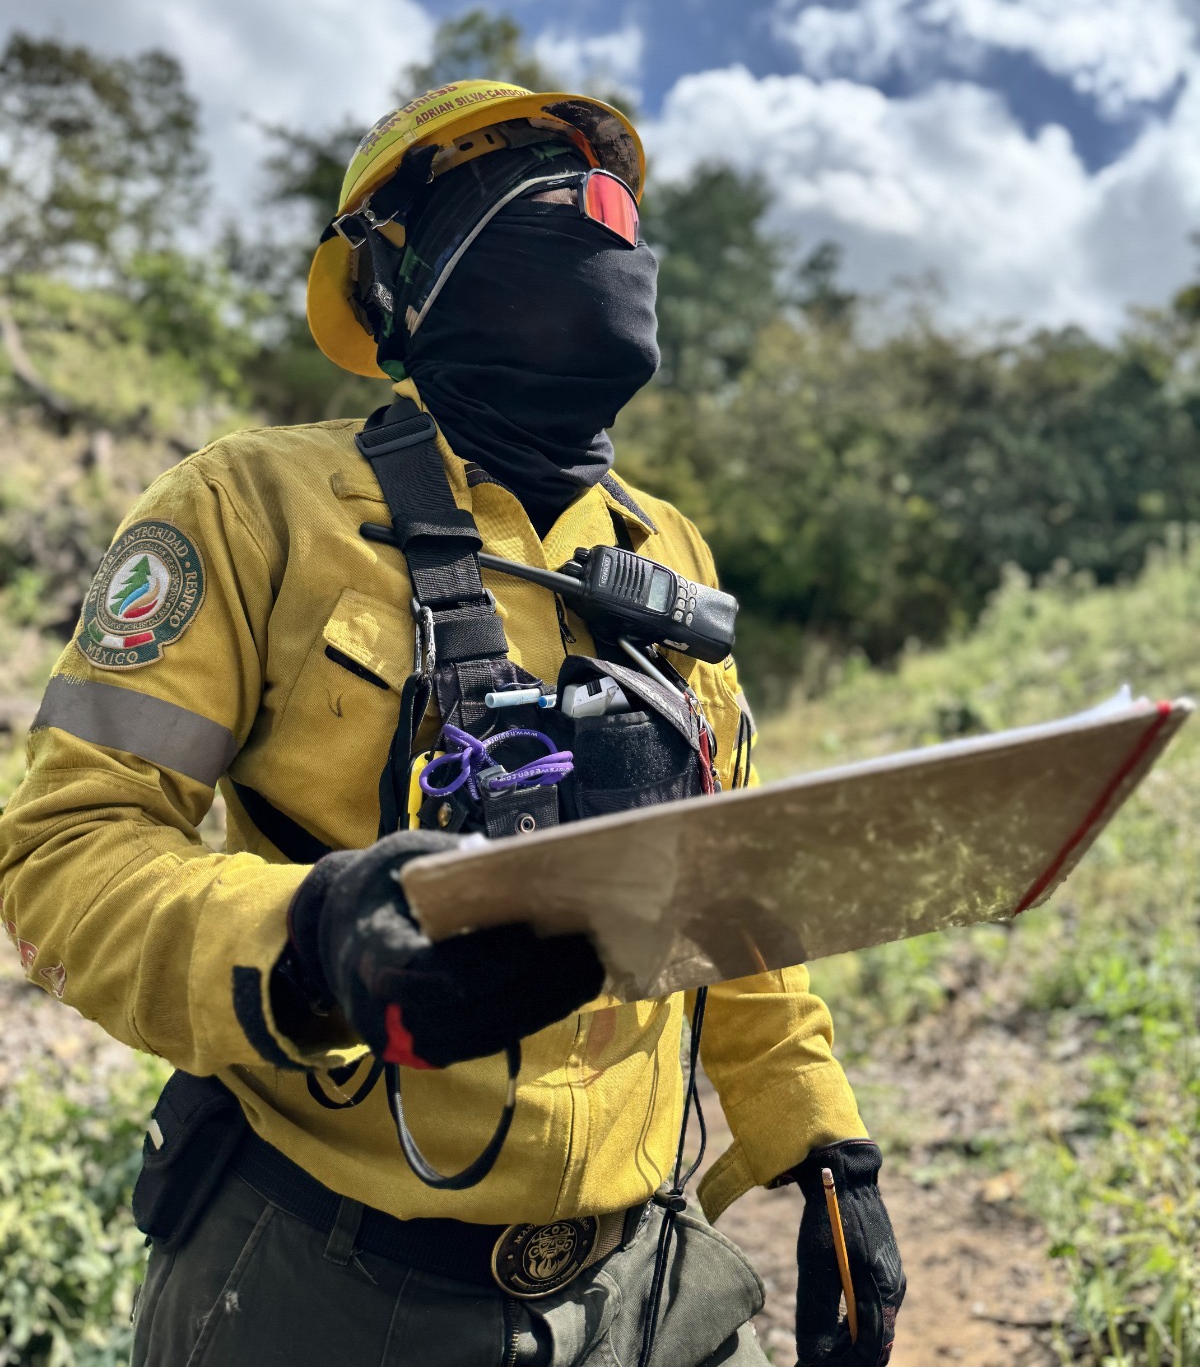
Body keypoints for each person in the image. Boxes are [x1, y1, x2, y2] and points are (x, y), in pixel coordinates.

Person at [0, 79, 905, 1366]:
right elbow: (62, 852)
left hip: (643, 1285)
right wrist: (310, 943)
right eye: (508, 182)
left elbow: (725, 891)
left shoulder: (669, 556)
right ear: (395, 287)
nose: (585, 210)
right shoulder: (254, 505)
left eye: (600, 188)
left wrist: (821, 1139)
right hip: (317, 1276)